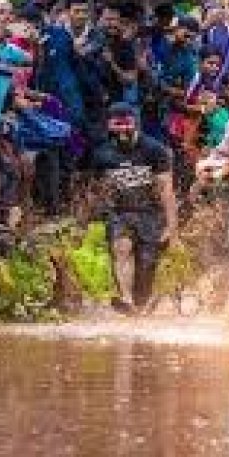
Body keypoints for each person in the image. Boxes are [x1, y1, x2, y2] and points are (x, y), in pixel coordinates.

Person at [93, 103, 176, 314]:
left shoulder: (154, 150)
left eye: (127, 125)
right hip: (120, 213)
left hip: (151, 214)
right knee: (121, 248)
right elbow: (97, 188)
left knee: (146, 269)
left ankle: (140, 302)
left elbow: (167, 191)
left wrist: (171, 228)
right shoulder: (102, 153)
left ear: (136, 124)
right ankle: (126, 299)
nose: (122, 131)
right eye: (117, 126)